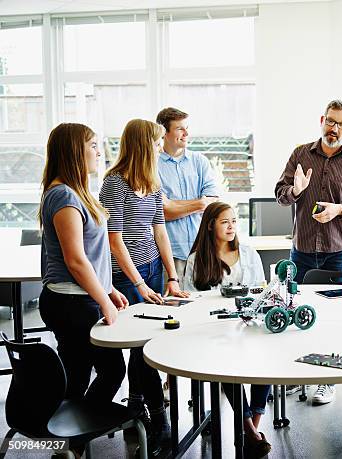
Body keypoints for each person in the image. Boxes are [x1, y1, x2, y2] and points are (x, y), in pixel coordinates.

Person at [275, 99, 342, 403]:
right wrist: (295, 190)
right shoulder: (300, 154)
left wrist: (339, 210)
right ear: (322, 120)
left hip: (338, 251)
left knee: (333, 318)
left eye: (341, 124)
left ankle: (327, 378)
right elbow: (280, 195)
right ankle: (299, 374)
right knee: (297, 313)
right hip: (303, 249)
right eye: (330, 122)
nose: (334, 129)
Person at [99, 119, 189, 455]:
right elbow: (114, 238)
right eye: (155, 141)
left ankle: (138, 402)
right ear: (142, 144)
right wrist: (137, 282)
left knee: (149, 342)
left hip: (151, 269)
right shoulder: (114, 184)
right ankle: (159, 419)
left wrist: (171, 276)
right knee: (140, 341)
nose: (159, 146)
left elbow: (159, 231)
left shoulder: (152, 182)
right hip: (125, 275)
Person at [39, 123, 127, 406]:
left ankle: (70, 441)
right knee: (107, 371)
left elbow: (90, 252)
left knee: (79, 376)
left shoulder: (74, 192)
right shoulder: (64, 195)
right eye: (92, 146)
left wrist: (108, 287)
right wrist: (104, 300)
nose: (99, 152)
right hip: (72, 301)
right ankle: (72, 440)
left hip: (77, 298)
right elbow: (76, 260)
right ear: (74, 151)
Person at [183, 202, 271, 458]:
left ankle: (251, 429)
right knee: (224, 366)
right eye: (225, 222)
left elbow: (259, 293)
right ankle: (250, 431)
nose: (232, 226)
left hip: (249, 327)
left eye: (234, 220)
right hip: (216, 331)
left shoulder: (248, 253)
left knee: (263, 361)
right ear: (211, 225)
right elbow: (191, 300)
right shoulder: (197, 259)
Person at [156, 107, 220, 286]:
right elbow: (162, 212)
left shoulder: (200, 161)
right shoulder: (153, 165)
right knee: (172, 308)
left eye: (187, 128)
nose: (186, 133)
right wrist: (200, 203)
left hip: (202, 251)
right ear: (164, 132)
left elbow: (212, 204)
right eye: (179, 129)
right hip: (170, 253)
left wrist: (174, 205)